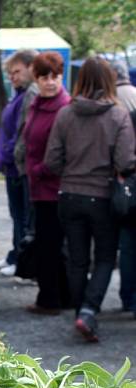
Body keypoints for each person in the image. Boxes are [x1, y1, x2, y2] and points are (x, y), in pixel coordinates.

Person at [45, 57, 136, 342]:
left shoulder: (65, 114)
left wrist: (71, 172)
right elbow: (125, 161)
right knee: (106, 257)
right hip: (103, 196)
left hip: (69, 194)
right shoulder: (117, 115)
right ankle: (89, 310)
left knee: (77, 258)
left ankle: (80, 312)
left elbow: (51, 161)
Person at [23, 51, 71, 315]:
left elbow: (62, 152)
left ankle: (51, 298)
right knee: (47, 244)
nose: (50, 82)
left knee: (50, 246)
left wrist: (40, 170)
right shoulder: (37, 103)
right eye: (45, 77)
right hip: (39, 186)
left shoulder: (65, 106)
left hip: (54, 187)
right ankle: (60, 295)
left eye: (55, 76)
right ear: (37, 78)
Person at [0, 49, 37, 276]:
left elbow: (22, 131)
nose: (13, 77)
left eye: (17, 72)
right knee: (17, 214)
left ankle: (21, 260)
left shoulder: (30, 94)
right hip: (12, 165)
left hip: (19, 165)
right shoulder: (19, 94)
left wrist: (10, 153)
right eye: (10, 73)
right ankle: (15, 254)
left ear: (31, 68)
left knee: (23, 216)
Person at [111, 63, 136, 317]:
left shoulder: (126, 115)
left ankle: (129, 298)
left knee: (128, 246)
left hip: (130, 189)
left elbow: (124, 158)